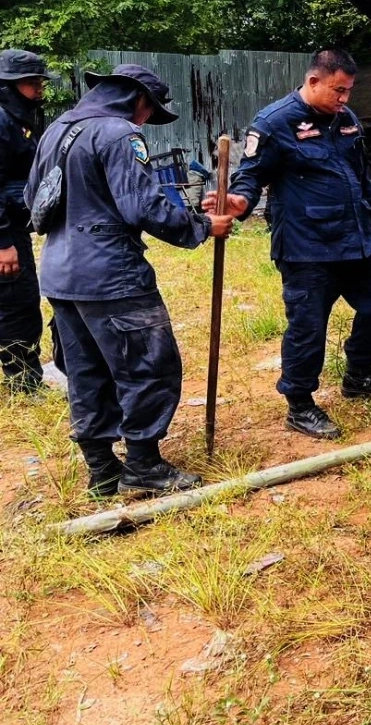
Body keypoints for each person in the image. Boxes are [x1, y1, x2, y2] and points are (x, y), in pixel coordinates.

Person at [26, 64, 235, 496]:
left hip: (61, 273)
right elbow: (143, 205)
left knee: (88, 373)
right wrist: (201, 225)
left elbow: (33, 201)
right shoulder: (120, 134)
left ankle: (101, 469)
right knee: (149, 366)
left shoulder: (54, 132)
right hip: (111, 274)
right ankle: (143, 465)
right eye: (148, 112)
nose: (145, 121)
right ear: (137, 98)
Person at [208, 47, 371, 442]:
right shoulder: (274, 122)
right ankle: (299, 404)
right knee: (308, 326)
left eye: (348, 91)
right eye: (338, 91)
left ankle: (359, 374)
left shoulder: (346, 120)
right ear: (313, 82)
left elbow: (360, 176)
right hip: (306, 247)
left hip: (355, 239)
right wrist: (239, 202)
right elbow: (250, 176)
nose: (345, 99)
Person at [0, 49, 51, 392]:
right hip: (4, 233)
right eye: (33, 83)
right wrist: (3, 243)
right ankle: (23, 385)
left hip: (14, 225)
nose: (40, 89)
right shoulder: (2, 120)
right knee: (17, 304)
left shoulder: (17, 118)